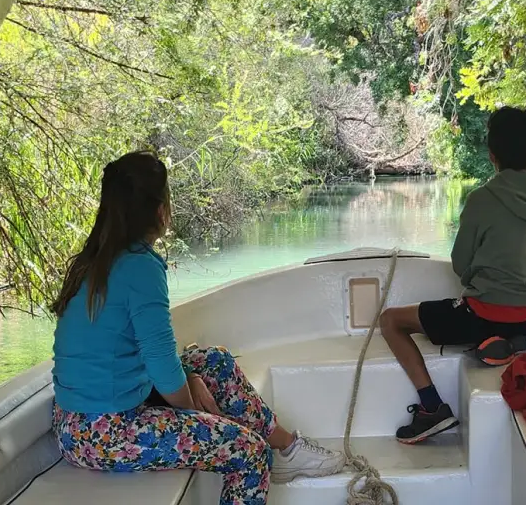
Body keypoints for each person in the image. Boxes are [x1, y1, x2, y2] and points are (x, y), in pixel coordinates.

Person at [51, 151, 345, 505]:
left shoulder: (95, 260)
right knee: (250, 454)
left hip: (79, 421)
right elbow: (161, 365)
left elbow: (140, 356)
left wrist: (190, 378)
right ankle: (272, 451)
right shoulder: (140, 267)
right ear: (161, 210)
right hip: (105, 432)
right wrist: (195, 415)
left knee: (214, 362)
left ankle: (288, 448)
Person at [379, 107, 526, 444]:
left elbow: (460, 263)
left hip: (479, 316)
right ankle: (503, 342)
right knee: (486, 319)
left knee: (390, 320)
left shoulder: (482, 199)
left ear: (492, 154)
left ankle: (432, 408)